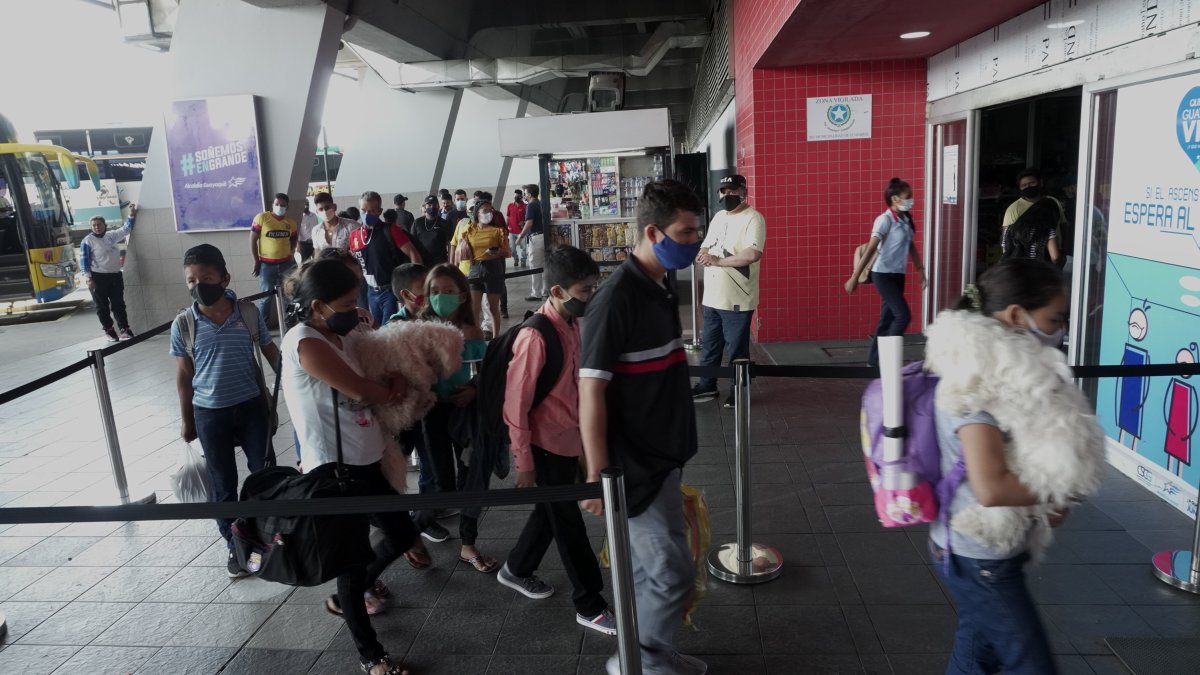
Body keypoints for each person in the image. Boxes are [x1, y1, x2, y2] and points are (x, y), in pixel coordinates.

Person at [577, 180, 707, 675]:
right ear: (653, 232)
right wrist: (598, 473)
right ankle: (642, 663)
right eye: (686, 232)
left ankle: (643, 652)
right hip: (632, 467)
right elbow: (590, 390)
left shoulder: (657, 285)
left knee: (644, 571)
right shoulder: (616, 298)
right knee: (672, 573)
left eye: (697, 231)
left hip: (664, 456)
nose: (694, 242)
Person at [927, 258, 1080, 675]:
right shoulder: (974, 380)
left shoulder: (1012, 376)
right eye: (1056, 319)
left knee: (977, 658)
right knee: (1032, 666)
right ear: (1017, 315)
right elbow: (990, 487)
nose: (1060, 329)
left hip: (989, 552)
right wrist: (1063, 488)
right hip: (977, 556)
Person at [280, 259, 416, 675]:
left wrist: (387, 382)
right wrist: (388, 390)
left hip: (367, 454)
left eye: (354, 299)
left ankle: (348, 596)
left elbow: (380, 365)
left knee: (401, 534)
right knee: (351, 564)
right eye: (345, 302)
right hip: (335, 468)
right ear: (318, 305)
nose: (353, 309)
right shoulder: (305, 342)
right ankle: (371, 656)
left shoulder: (342, 332)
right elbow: (362, 387)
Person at [497, 246, 617, 634]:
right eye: (584, 290)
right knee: (568, 525)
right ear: (558, 291)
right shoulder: (535, 336)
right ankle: (589, 603)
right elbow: (515, 406)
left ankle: (517, 567)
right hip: (545, 446)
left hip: (570, 442)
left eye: (593, 287)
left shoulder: (574, 324)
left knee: (551, 513)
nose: (591, 295)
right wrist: (524, 462)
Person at [170, 244, 280, 578]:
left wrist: (295, 379)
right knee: (223, 484)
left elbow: (270, 351)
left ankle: (266, 539)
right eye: (190, 280)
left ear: (224, 277)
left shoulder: (246, 313)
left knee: (265, 473)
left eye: (205, 277)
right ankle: (235, 548)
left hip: (251, 407)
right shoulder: (184, 324)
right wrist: (187, 421)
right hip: (210, 414)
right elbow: (184, 377)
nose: (197, 285)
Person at [415, 264, 497, 572]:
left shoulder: (472, 332)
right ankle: (409, 535)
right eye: (435, 292)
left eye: (448, 292)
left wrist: (474, 391)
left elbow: (486, 373)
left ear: (462, 295)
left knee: (470, 480)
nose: (441, 298)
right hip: (432, 412)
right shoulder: (420, 331)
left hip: (465, 413)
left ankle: (468, 544)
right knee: (441, 483)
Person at [692, 174, 766, 408]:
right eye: (724, 191)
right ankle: (707, 384)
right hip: (713, 295)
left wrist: (718, 261)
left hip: (737, 297)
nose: (727, 195)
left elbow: (752, 254)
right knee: (710, 345)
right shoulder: (718, 217)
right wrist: (703, 253)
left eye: (732, 191)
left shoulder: (754, 218)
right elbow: (707, 244)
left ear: (743, 191)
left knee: (737, 348)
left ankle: (738, 391)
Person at [845, 177, 927, 368]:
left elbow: (910, 245)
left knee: (888, 318)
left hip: (898, 275)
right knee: (903, 315)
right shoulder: (884, 220)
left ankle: (874, 361)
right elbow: (872, 248)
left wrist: (920, 270)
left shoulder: (905, 218)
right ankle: (888, 355)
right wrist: (854, 278)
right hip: (882, 274)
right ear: (895, 198)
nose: (912, 200)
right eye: (908, 197)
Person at [350, 191, 423, 327]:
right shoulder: (354, 236)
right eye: (363, 210)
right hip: (371, 291)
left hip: (390, 289)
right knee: (377, 329)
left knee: (388, 328)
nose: (367, 214)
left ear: (380, 211)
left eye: (372, 211)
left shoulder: (390, 230)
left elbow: (414, 253)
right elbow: (355, 263)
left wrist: (416, 284)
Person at [81, 205, 138, 342]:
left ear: (104, 225)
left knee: (118, 304)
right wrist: (89, 278)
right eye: (94, 225)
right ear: (91, 227)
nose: (96, 227)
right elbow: (84, 261)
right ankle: (109, 330)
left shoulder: (111, 236)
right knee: (102, 306)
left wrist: (131, 214)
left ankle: (124, 328)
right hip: (97, 277)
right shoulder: (88, 241)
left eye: (99, 224)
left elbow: (126, 229)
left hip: (115, 276)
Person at [463, 199, 511, 335]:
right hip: (475, 268)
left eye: (491, 211)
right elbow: (463, 249)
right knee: (474, 308)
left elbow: (508, 252)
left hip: (493, 267)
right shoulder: (469, 230)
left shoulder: (498, 231)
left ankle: (496, 338)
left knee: (492, 307)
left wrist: (498, 251)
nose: (488, 213)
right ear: (477, 213)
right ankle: (476, 336)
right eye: (485, 211)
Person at [1002, 167, 1066, 268]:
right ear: (1019, 187)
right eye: (1024, 185)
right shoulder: (1014, 209)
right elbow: (1007, 240)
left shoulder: (1053, 202)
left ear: (1040, 183)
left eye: (1032, 183)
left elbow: (1063, 226)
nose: (1028, 187)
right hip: (1030, 265)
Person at [250, 193, 299, 314]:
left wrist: (291, 251)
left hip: (286, 264)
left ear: (287, 207)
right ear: (273, 204)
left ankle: (289, 325)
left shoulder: (291, 223)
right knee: (265, 298)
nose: (279, 207)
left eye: (283, 205)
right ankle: (263, 329)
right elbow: (252, 240)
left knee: (288, 296)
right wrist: (256, 261)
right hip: (266, 265)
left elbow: (294, 239)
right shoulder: (262, 218)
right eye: (277, 204)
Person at [1002, 195, 1062, 265]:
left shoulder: (1010, 229)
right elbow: (1055, 257)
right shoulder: (1048, 231)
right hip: (1035, 271)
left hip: (1012, 270)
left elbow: (1006, 248)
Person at [519, 184, 547, 301]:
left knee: (535, 266)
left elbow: (529, 223)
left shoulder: (531, 205)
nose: (524, 195)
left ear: (529, 194)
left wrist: (520, 237)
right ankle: (545, 291)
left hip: (536, 238)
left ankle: (536, 293)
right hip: (544, 236)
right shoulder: (540, 203)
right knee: (545, 265)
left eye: (525, 193)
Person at [410, 196, 451, 267]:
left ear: (438, 207)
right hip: (422, 262)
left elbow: (449, 244)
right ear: (425, 207)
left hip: (440, 263)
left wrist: (450, 262)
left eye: (434, 205)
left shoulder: (444, 223)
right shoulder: (417, 222)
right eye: (429, 205)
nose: (432, 207)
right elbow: (412, 243)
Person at [506, 189, 528, 267]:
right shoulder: (510, 205)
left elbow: (528, 219)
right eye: (515, 195)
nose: (516, 197)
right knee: (512, 249)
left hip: (522, 231)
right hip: (512, 231)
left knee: (524, 248)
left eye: (518, 196)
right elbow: (508, 217)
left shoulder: (525, 206)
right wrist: (506, 227)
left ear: (521, 196)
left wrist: (524, 222)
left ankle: (523, 260)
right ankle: (516, 259)